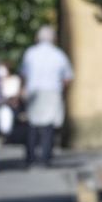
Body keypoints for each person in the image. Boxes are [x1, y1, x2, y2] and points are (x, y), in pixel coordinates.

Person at [20, 25, 72, 168]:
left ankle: (30, 157)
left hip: (34, 90)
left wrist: (23, 89)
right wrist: (63, 91)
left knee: (32, 125)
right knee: (48, 126)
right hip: (52, 91)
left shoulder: (30, 53)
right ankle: (45, 157)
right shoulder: (58, 54)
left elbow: (24, 74)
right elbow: (67, 77)